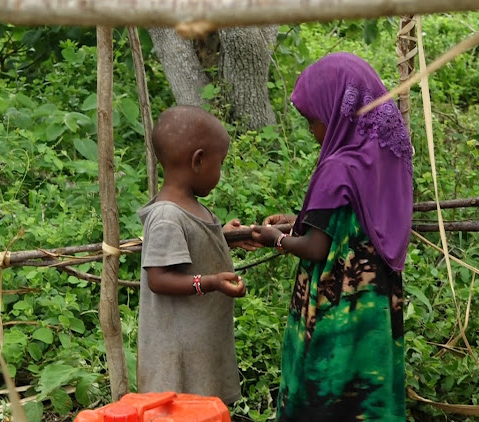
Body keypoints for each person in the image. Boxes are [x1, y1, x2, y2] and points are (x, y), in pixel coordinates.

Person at [251, 52, 414, 421]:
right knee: (366, 391)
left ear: (339, 113)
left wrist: (272, 239)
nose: (312, 131)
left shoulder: (338, 167)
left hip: (335, 301)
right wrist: (300, 218)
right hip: (376, 301)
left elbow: (316, 246)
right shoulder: (386, 159)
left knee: (325, 390)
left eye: (313, 120)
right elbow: (354, 221)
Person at [137, 105, 256, 405]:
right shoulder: (166, 216)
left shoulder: (189, 207)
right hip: (177, 359)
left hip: (199, 349)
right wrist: (211, 281)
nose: (221, 171)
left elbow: (191, 248)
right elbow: (159, 278)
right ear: (199, 160)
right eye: (221, 163)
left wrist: (223, 238)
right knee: (181, 410)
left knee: (201, 408)